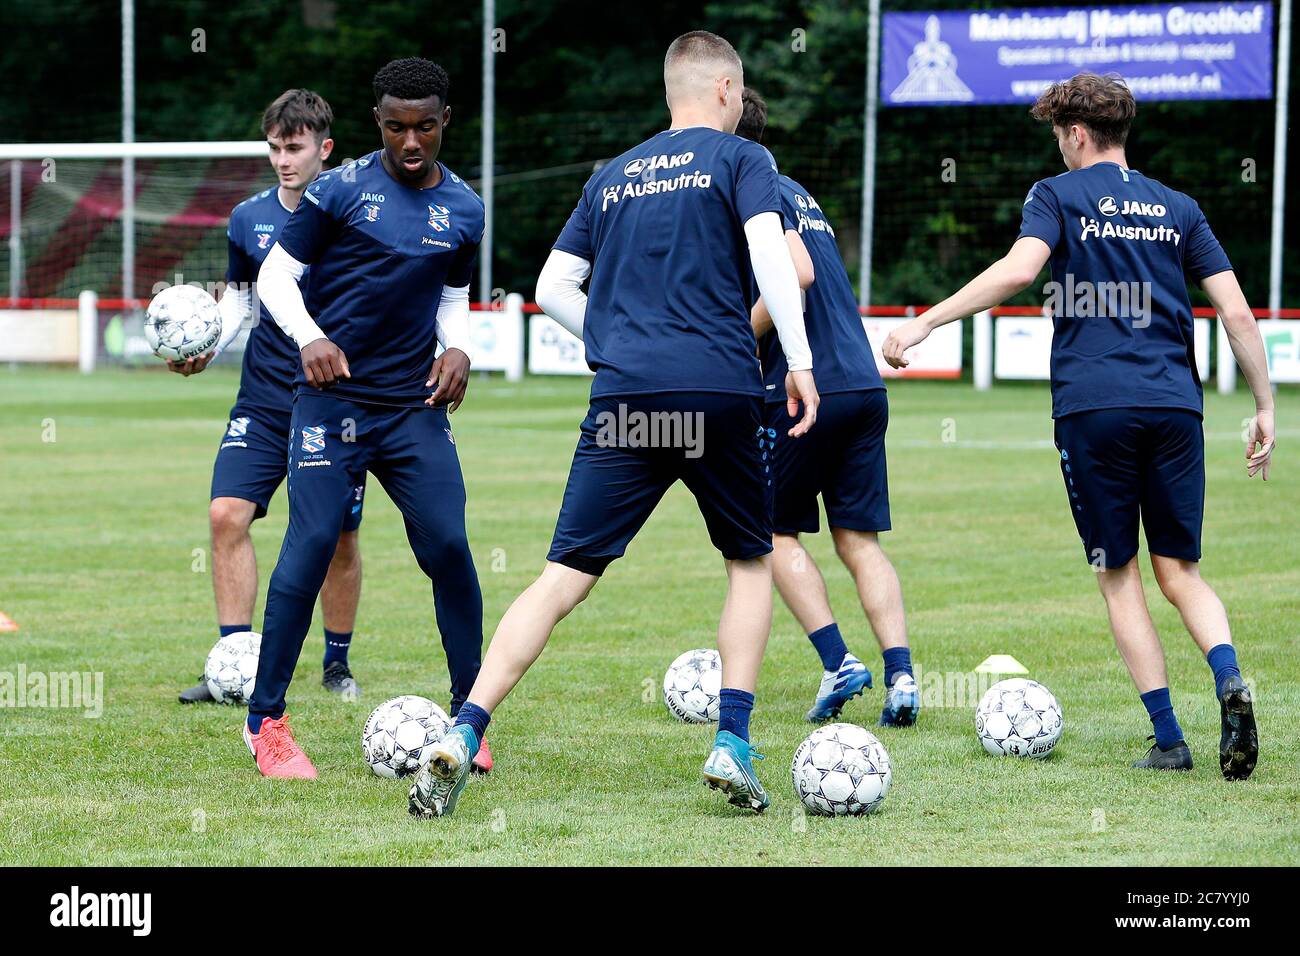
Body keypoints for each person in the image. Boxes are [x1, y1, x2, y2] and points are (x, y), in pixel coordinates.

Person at [408, 31, 818, 819]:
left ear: (673, 92)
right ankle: (732, 742)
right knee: (749, 562)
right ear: (728, 92)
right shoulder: (745, 161)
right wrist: (797, 359)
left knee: (561, 578)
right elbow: (772, 258)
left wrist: (611, 339)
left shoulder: (618, 173)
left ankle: (465, 729)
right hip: (719, 393)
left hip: (625, 398)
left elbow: (553, 284)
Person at [884, 72, 1273, 778]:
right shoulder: (1177, 207)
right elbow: (1239, 316)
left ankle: (1169, 739)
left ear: (1077, 133)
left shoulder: (1055, 195)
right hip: (1176, 405)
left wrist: (926, 321)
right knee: (1181, 571)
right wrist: (1265, 406)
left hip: (1096, 405)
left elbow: (1016, 271)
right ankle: (1229, 678)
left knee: (1118, 573)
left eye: (1059, 136)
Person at [244, 57, 491, 779]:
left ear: (446, 121)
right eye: (394, 127)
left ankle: (469, 717)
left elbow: (452, 294)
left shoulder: (466, 210)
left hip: (412, 408)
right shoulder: (339, 190)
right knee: (315, 537)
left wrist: (461, 349)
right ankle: (266, 724)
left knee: (447, 544)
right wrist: (310, 338)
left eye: (422, 127)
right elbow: (275, 277)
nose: (409, 142)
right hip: (333, 403)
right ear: (376, 122)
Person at [169, 89, 365, 703]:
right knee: (226, 515)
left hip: (333, 400)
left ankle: (337, 665)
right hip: (262, 397)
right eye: (276, 148)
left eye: (296, 148)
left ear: (324, 149)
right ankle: (235, 660)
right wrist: (210, 343)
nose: (284, 159)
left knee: (337, 537)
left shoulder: (355, 213)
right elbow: (243, 300)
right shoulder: (247, 217)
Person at [736, 88, 919, 728]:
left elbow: (799, 272)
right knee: (857, 540)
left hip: (799, 386)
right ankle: (901, 678)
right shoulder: (798, 191)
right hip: (862, 384)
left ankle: (839, 662)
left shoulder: (749, 189)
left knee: (769, 534)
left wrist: (732, 334)